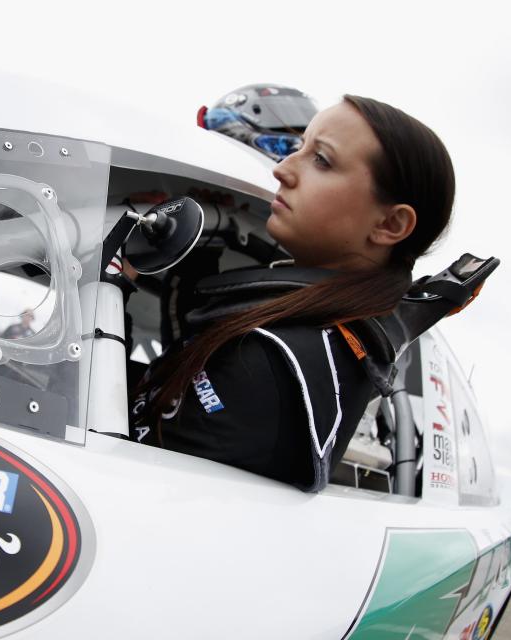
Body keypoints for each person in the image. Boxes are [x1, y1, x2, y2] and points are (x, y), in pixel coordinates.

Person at [130, 95, 455, 492]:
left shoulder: (274, 361)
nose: (283, 169)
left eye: (321, 160)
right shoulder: (309, 340)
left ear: (390, 224)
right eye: (299, 148)